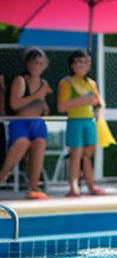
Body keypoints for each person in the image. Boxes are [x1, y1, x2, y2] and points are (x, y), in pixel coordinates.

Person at [0, 47, 52, 199]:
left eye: (41, 63)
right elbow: (15, 104)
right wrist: (38, 95)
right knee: (22, 142)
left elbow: (41, 104)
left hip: (37, 122)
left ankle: (34, 187)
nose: (38, 66)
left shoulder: (43, 83)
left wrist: (44, 104)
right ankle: (3, 175)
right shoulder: (21, 80)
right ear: (27, 64)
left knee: (39, 144)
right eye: (35, 62)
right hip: (21, 122)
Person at [57, 49, 105, 197]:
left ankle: (90, 184)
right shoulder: (66, 83)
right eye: (79, 62)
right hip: (75, 121)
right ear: (72, 65)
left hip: (89, 121)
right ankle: (73, 186)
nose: (83, 65)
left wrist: (98, 110)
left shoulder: (91, 83)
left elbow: (99, 102)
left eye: (86, 62)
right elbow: (61, 106)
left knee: (88, 154)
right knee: (76, 153)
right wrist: (84, 101)